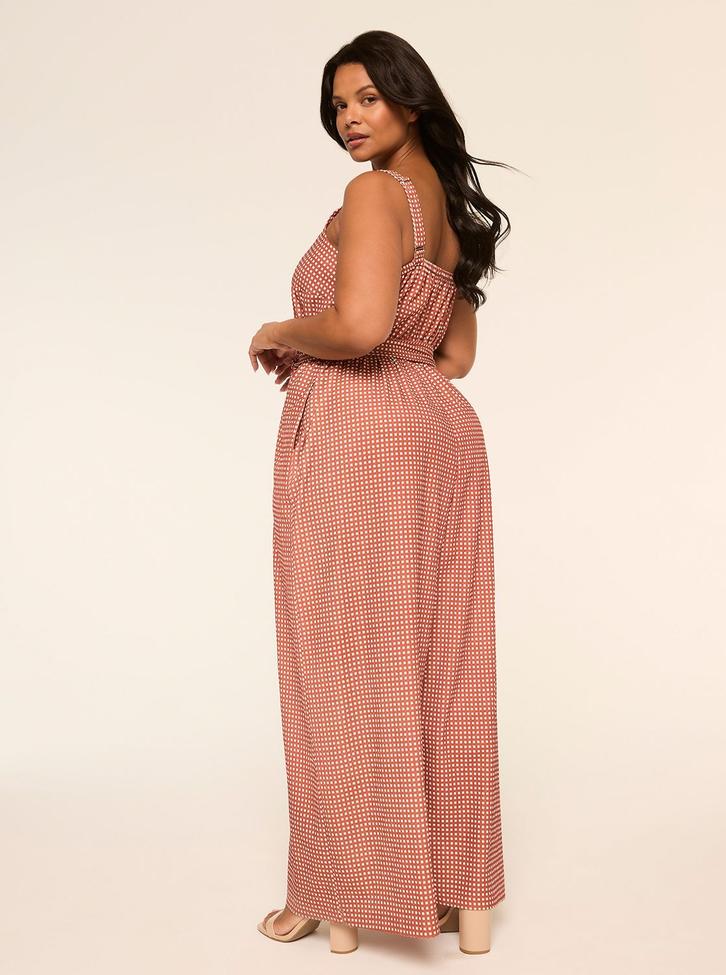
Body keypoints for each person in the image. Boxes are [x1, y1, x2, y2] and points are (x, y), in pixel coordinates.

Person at [248, 29, 515, 955]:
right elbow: (455, 357)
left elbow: (359, 326)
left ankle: (341, 888)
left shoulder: (372, 195)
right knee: (445, 660)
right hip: (440, 434)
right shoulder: (450, 215)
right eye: (338, 106)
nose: (349, 119)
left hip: (358, 435)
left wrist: (278, 330)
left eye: (366, 97)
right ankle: (456, 894)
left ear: (410, 97)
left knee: (341, 659)